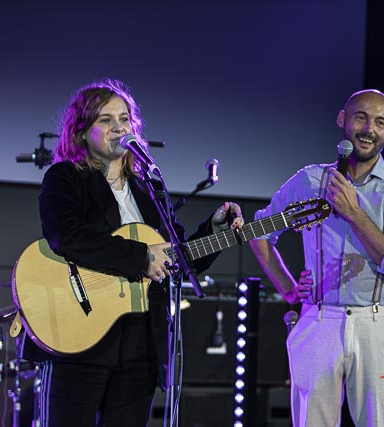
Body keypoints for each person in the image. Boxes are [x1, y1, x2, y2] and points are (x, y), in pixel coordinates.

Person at [20, 77, 243, 427]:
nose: (117, 127)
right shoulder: (65, 177)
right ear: (81, 132)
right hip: (80, 337)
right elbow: (67, 235)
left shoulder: (148, 188)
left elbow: (175, 260)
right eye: (105, 120)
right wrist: (141, 258)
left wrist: (214, 231)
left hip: (140, 345)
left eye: (124, 119)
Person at [249, 89, 384, 426]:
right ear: (342, 120)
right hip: (318, 321)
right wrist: (289, 291)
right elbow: (260, 231)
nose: (368, 128)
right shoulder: (311, 180)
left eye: (379, 122)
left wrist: (353, 212)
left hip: (378, 324)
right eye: (360, 117)